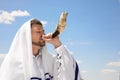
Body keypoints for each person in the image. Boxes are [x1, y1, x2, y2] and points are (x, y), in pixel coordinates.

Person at [0, 19, 81, 80]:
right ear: (26, 35)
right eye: (38, 32)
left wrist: (58, 44)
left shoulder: (50, 61)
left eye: (43, 31)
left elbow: (69, 69)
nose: (43, 35)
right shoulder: (14, 63)